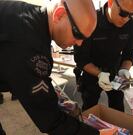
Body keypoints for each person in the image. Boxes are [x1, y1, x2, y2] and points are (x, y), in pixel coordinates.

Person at [0, 0, 100, 134]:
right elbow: (50, 120)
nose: (80, 43)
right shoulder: (27, 43)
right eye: (77, 34)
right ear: (59, 14)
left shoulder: (32, 18)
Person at [74, 0, 133, 112]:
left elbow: (129, 53)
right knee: (89, 109)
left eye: (131, 14)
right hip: (91, 73)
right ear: (110, 3)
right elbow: (81, 58)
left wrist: (124, 70)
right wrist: (99, 74)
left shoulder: (131, 25)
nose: (126, 19)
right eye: (123, 13)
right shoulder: (91, 21)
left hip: (116, 71)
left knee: (118, 109)